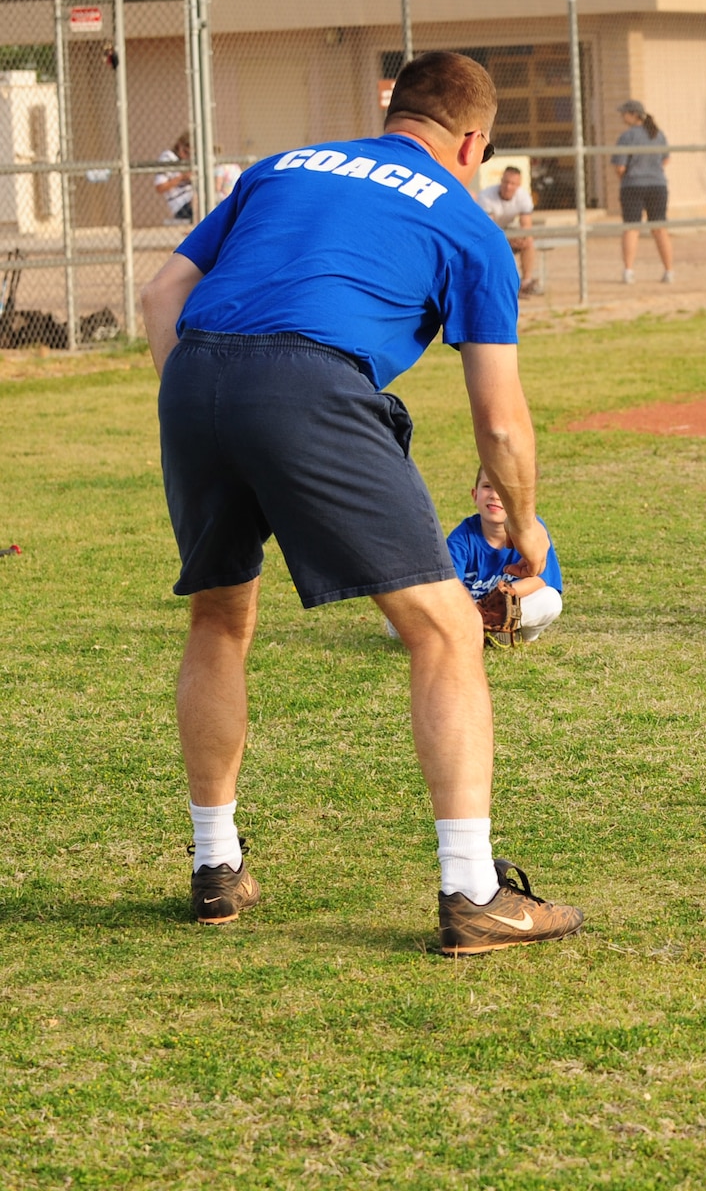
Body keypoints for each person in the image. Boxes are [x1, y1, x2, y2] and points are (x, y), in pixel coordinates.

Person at [139, 49, 583, 957]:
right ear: (472, 140)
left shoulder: (283, 167)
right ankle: (473, 892)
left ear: (394, 117)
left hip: (195, 377)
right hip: (308, 379)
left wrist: (203, 395)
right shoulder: (468, 223)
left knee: (221, 618)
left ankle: (216, 864)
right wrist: (526, 524)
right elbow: (500, 424)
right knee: (446, 628)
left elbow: (162, 290)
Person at [449, 465, 564, 643]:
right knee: (404, 619)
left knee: (550, 600)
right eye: (488, 486)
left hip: (511, 605)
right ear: (475, 494)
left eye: (503, 489)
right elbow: (450, 586)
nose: (495, 495)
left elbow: (541, 579)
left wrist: (505, 596)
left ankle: (509, 630)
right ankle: (491, 632)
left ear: (519, 500)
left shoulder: (531, 529)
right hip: (469, 608)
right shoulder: (462, 538)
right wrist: (479, 609)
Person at [611, 99, 672, 284]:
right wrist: (651, 170)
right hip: (657, 185)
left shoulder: (627, 136)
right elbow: (666, 159)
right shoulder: (657, 134)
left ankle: (629, 270)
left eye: (624, 113)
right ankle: (669, 270)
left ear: (633, 114)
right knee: (659, 228)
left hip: (632, 186)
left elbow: (620, 166)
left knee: (631, 228)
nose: (622, 117)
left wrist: (628, 176)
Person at [478, 161, 540, 297]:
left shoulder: (523, 197)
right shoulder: (486, 196)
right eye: (505, 182)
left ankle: (526, 283)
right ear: (501, 181)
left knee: (528, 242)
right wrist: (507, 240)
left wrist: (522, 238)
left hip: (511, 232)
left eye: (512, 183)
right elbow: (490, 230)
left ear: (518, 185)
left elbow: (526, 227)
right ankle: (504, 286)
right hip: (491, 236)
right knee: (495, 247)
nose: (508, 186)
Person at [154, 131, 195, 222]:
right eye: (186, 152)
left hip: (193, 200)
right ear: (179, 146)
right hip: (182, 205)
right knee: (198, 198)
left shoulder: (187, 160)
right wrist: (182, 178)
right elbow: (160, 187)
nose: (187, 156)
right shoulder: (167, 158)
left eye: (190, 154)